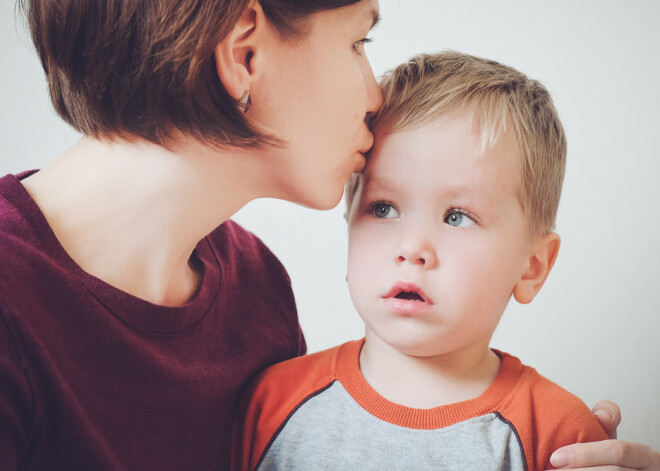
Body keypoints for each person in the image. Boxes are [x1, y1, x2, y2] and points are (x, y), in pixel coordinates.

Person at [0, 0, 656, 469]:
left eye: (457, 216)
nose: (376, 95)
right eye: (357, 43)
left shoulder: (255, 287)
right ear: (245, 52)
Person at [231, 51, 660, 471]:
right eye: (383, 208)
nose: (412, 247)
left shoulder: (559, 438)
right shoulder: (272, 405)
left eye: (457, 217)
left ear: (532, 267)